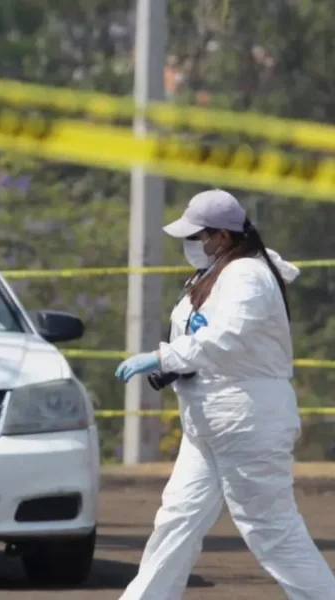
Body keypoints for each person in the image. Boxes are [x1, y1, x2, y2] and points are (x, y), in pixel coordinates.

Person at [114, 189, 335, 599]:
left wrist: (164, 357)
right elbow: (204, 337)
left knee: (272, 532)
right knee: (177, 520)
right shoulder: (215, 272)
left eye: (197, 236)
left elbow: (227, 337)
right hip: (207, 421)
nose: (190, 244)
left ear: (225, 236)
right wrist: (174, 362)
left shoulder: (247, 276)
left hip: (246, 418)